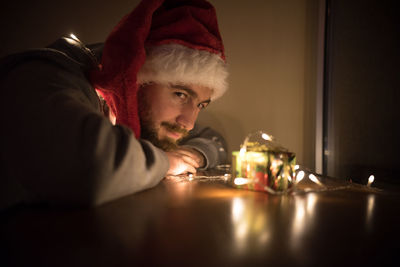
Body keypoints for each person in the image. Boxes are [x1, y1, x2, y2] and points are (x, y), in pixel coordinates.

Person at [0, 0, 229, 210]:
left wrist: (192, 153)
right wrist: (165, 162)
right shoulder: (43, 75)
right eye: (180, 94)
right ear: (136, 75)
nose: (188, 123)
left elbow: (212, 138)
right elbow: (92, 165)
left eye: (201, 105)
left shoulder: (142, 112)